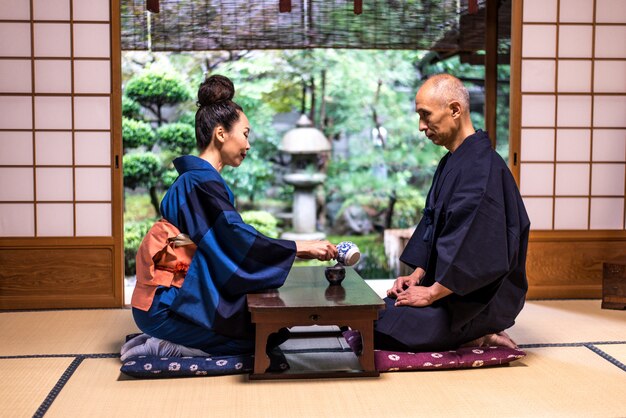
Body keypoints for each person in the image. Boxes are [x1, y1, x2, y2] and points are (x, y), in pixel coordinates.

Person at [121, 75, 337, 361]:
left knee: (270, 332)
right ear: (221, 134)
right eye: (245, 134)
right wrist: (299, 247)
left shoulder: (196, 181)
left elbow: (222, 242)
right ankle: (162, 346)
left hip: (167, 298)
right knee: (259, 341)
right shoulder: (199, 183)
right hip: (165, 306)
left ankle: (164, 336)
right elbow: (233, 237)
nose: (248, 145)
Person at [374, 74, 530, 352]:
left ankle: (482, 330)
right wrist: (418, 276)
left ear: (455, 110)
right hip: (450, 289)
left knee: (378, 327)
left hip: (478, 297)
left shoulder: (482, 169)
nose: (421, 126)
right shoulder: (452, 161)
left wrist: (433, 292)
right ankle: (470, 332)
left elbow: (477, 247)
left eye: (425, 115)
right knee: (374, 313)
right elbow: (433, 224)